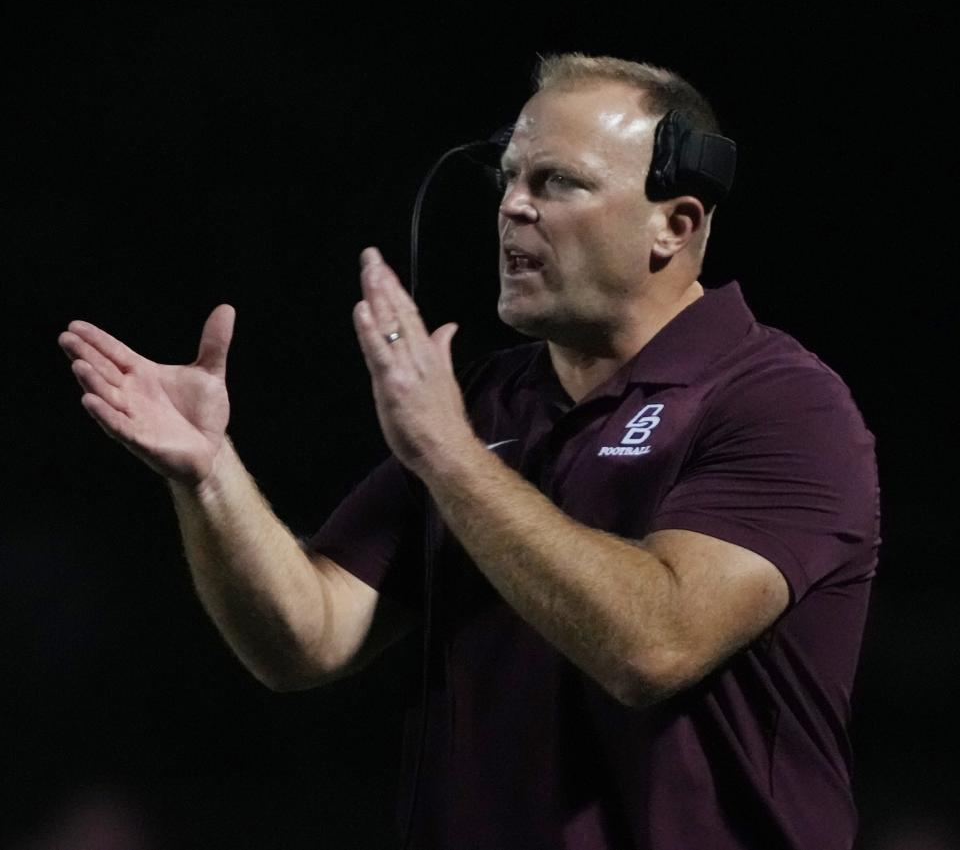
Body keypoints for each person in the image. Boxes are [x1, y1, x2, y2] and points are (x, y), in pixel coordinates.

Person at [59, 54, 879, 850]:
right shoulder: (489, 405)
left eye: (559, 182)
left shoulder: (780, 403)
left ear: (676, 223)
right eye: (510, 180)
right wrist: (210, 474)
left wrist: (449, 456)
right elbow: (307, 633)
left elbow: (654, 645)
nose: (513, 207)